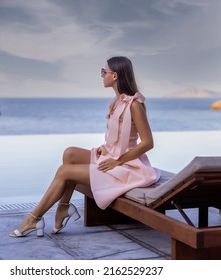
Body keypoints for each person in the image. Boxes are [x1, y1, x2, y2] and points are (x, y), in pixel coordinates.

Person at [9, 56, 160, 238]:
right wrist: (104, 150)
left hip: (128, 167)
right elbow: (119, 139)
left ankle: (33, 218)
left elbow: (148, 143)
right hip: (112, 157)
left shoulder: (135, 105)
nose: (102, 75)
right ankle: (63, 207)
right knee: (70, 153)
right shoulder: (117, 101)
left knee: (64, 171)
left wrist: (116, 162)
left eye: (104, 72)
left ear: (115, 76)